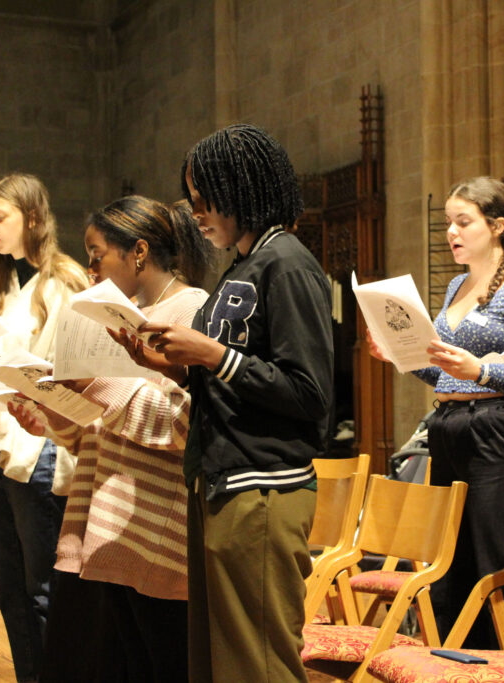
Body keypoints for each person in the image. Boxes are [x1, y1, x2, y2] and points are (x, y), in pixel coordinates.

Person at [120, 124, 333, 682]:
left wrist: (212, 354)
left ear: (244, 189)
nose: (195, 213)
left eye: (205, 198)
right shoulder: (243, 264)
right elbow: (235, 381)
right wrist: (168, 364)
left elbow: (310, 393)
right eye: (192, 199)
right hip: (219, 480)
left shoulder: (288, 263)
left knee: (259, 665)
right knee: (220, 664)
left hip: (263, 487)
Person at [7, 195, 210, 683]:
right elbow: (94, 436)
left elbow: (185, 424)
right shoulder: (111, 315)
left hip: (153, 530)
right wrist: (51, 413)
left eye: (97, 254)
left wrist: (96, 385)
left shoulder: (192, 309)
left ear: (138, 252)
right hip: (99, 523)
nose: (91, 268)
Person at [367, 176, 504, 649]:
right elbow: (448, 377)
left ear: (497, 226)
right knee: (453, 565)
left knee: (502, 566)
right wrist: (401, 357)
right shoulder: (457, 285)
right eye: (448, 222)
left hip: (502, 436)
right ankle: (461, 667)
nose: (451, 232)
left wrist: (483, 372)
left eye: (463, 222)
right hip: (450, 430)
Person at [0, 173, 88, 683]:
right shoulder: (3, 283)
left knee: (42, 588)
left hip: (37, 445)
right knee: (10, 589)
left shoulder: (64, 280)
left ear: (32, 217)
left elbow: (64, 373)